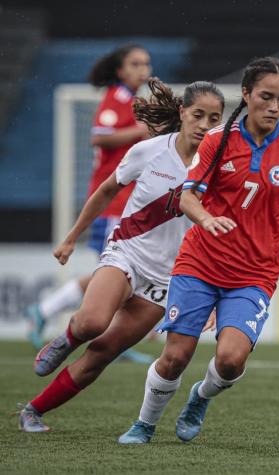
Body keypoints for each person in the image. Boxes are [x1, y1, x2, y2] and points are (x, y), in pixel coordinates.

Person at [118, 56, 279, 444]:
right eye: (266, 96)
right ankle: (145, 423)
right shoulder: (217, 140)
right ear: (246, 94)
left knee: (230, 359)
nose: (274, 107)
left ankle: (200, 397)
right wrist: (206, 220)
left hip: (254, 274)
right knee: (175, 356)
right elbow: (188, 196)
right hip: (200, 262)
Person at [18, 78, 225, 432]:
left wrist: (216, 295)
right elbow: (106, 190)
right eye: (198, 115)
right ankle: (66, 339)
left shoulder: (220, 169)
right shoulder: (150, 151)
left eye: (214, 119)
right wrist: (71, 238)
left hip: (165, 280)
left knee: (102, 353)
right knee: (92, 324)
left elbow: (220, 234)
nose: (205, 126)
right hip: (126, 252)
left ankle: (32, 411)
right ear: (182, 113)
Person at [24, 44, 153, 364]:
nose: (143, 69)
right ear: (121, 70)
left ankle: (50, 312)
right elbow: (99, 135)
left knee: (114, 274)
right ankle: (47, 311)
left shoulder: (134, 101)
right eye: (135, 64)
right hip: (112, 201)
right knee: (114, 274)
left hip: (127, 201)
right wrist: (140, 130)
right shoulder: (116, 98)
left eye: (146, 64)